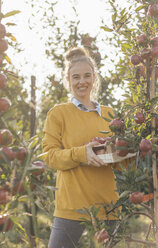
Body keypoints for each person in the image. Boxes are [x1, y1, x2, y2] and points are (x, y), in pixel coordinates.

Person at [43, 47, 119, 248]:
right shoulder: (59, 114)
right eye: (75, 77)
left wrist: (124, 153)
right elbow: (49, 156)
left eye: (87, 76)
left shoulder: (110, 115)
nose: (82, 81)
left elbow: (120, 161)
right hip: (72, 206)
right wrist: (81, 153)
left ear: (94, 78)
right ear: (68, 80)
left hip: (109, 207)